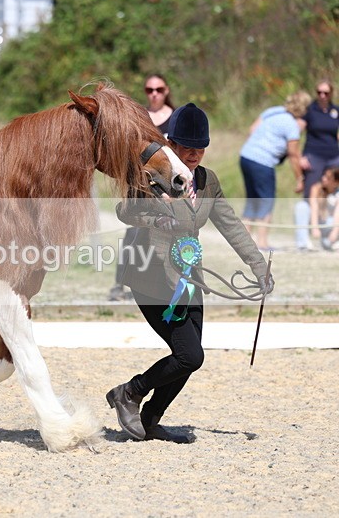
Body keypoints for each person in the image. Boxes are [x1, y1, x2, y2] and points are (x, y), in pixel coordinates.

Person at [109, 103, 272, 443]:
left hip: (189, 280)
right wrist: (156, 219)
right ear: (172, 144)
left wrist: (259, 266)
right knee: (190, 356)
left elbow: (231, 225)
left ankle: (150, 419)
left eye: (201, 148)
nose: (194, 154)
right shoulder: (156, 175)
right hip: (152, 278)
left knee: (188, 356)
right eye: (187, 147)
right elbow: (125, 210)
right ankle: (130, 392)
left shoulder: (207, 182)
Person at [109, 74, 176, 301]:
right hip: (141, 185)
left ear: (166, 91)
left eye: (159, 89)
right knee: (133, 234)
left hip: (167, 187)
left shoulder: (175, 119)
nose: (154, 94)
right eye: (149, 90)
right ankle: (120, 283)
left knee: (167, 234)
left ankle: (167, 285)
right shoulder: (141, 118)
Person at [238, 91, 311, 250]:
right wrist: (299, 178)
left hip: (246, 156)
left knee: (252, 199)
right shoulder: (292, 125)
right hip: (263, 162)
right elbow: (293, 155)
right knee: (267, 200)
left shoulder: (274, 111)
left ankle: (243, 242)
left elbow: (252, 129)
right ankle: (262, 242)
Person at [301, 80, 339, 200]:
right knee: (311, 191)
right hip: (314, 156)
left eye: (326, 93)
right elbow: (295, 134)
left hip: (334, 157)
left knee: (333, 192)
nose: (322, 96)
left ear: (331, 94)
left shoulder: (335, 110)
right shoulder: (309, 110)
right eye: (319, 92)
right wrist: (301, 157)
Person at [294, 167, 339, 251]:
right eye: (324, 175)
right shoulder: (316, 188)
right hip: (316, 221)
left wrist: (334, 233)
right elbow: (313, 208)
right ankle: (303, 244)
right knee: (301, 206)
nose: (323, 178)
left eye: (328, 178)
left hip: (331, 225)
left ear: (336, 183)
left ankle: (330, 242)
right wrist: (315, 228)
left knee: (328, 241)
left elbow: (337, 215)